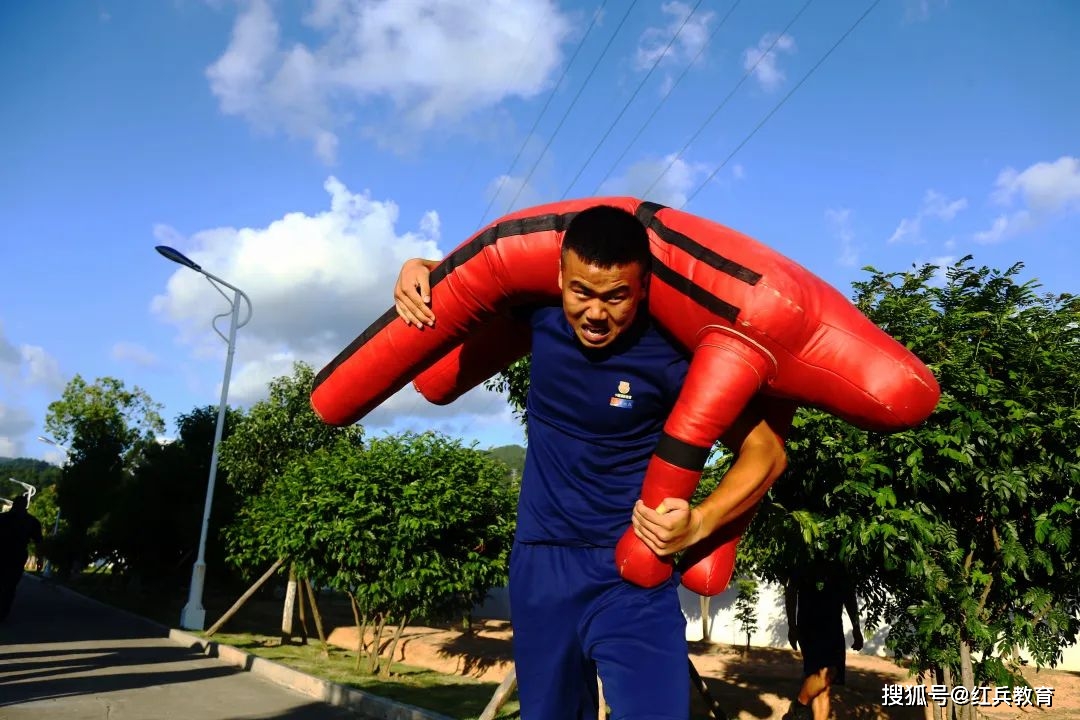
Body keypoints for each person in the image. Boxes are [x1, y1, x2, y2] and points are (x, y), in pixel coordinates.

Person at [394, 205, 787, 720]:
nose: (596, 313)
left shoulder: (671, 354)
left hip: (631, 573)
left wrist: (700, 523)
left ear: (642, 287)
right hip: (541, 565)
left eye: (616, 296)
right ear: (558, 277)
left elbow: (767, 453)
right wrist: (417, 265)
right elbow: (479, 275)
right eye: (581, 292)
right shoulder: (538, 314)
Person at [783, 559, 864, 720]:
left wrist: (856, 628)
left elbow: (849, 596)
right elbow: (791, 591)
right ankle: (798, 706)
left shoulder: (840, 559)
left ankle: (803, 709)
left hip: (833, 626)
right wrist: (792, 626)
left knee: (825, 689)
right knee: (826, 674)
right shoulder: (806, 555)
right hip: (809, 626)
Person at [0, 493, 44, 621]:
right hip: (17, 556)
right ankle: (3, 612)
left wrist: (39, 559)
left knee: (7, 584)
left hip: (5, 554)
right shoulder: (31, 521)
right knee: (10, 585)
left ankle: (3, 611)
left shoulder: (2, 518)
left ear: (13, 505)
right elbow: (39, 542)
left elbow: (39, 542)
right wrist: (39, 559)